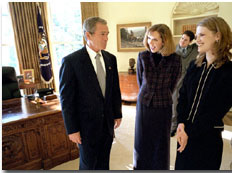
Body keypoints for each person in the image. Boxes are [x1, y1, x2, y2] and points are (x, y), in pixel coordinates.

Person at [175, 16, 232, 170]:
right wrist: (180, 123)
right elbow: (183, 96)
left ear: (217, 36)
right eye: (196, 35)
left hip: (207, 138)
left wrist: (189, 132)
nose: (197, 39)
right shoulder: (194, 66)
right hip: (184, 133)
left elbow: (215, 111)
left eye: (202, 35)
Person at [59, 16, 122, 170]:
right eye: (102, 34)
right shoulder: (71, 61)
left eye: (107, 34)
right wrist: (72, 129)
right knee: (88, 164)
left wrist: (117, 113)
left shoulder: (110, 59)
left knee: (103, 162)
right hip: (85, 126)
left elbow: (114, 90)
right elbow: (66, 99)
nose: (107, 38)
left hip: (107, 124)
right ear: (88, 35)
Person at [133, 24, 182, 170]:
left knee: (161, 142)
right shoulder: (142, 56)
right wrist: (148, 94)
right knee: (142, 141)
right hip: (144, 104)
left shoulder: (175, 59)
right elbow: (140, 82)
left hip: (163, 106)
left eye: (155, 39)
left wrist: (161, 94)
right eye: (148, 38)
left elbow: (173, 84)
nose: (150, 42)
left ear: (164, 41)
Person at [171, 30, 199, 136]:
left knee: (186, 103)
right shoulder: (174, 49)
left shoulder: (195, 49)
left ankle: (182, 124)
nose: (182, 41)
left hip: (189, 79)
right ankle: (173, 126)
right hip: (176, 78)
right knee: (174, 102)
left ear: (191, 41)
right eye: (182, 38)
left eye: (186, 39)